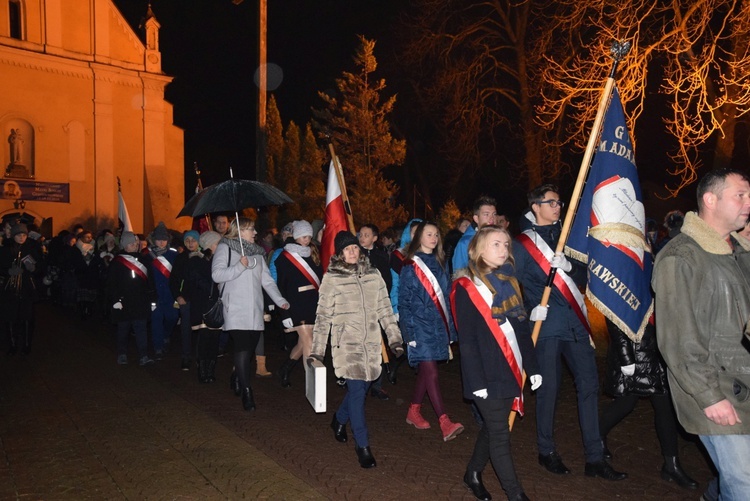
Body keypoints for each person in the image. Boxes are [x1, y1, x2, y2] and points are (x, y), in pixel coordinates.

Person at [513, 183, 626, 480]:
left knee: (589, 385)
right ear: (535, 206)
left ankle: (594, 456)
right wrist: (528, 309)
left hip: (576, 324)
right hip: (547, 324)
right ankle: (546, 450)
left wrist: (570, 268)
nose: (558, 207)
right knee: (548, 389)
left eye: (559, 202)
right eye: (551, 202)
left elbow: (586, 273)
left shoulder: (570, 237)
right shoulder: (522, 244)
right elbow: (510, 284)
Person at [652, 169, 750, 500]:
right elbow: (677, 338)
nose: (748, 203)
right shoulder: (681, 257)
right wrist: (709, 395)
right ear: (711, 199)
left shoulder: (739, 252)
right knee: (745, 484)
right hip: (715, 388)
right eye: (740, 195)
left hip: (745, 382)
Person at [452, 225, 542, 501]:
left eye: (506, 244)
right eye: (495, 244)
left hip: (508, 367)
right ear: (478, 249)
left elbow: (522, 331)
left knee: (495, 428)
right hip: (484, 373)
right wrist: (475, 381)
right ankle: (516, 495)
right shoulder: (466, 286)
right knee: (501, 434)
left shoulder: (511, 282)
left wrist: (533, 367)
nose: (503, 249)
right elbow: (466, 339)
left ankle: (473, 473)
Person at [310, 231, 403, 468]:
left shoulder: (374, 276)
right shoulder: (332, 279)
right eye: (347, 249)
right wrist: (318, 350)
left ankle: (339, 419)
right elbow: (323, 317)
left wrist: (394, 340)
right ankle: (363, 446)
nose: (352, 252)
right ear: (340, 254)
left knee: (361, 389)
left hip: (371, 344)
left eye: (355, 248)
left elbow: (385, 310)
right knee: (358, 393)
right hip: (346, 345)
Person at [599, 318, 698, 490]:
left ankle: (671, 465)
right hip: (635, 352)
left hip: (657, 352)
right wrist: (626, 357)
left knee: (665, 407)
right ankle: (597, 435)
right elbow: (615, 315)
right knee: (625, 404)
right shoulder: (630, 289)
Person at [212, 218, 289, 411]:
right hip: (235, 307)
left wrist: (280, 300)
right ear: (240, 230)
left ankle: (236, 376)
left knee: (250, 346)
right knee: (243, 348)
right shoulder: (225, 248)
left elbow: (267, 281)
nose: (255, 233)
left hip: (255, 309)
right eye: (251, 229)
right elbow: (217, 275)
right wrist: (239, 266)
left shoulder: (258, 253)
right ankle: (247, 391)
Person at [399, 220, 464, 442]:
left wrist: (451, 329)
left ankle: (413, 410)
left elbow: (445, 297)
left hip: (437, 325)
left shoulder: (440, 262)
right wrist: (408, 335)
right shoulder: (410, 265)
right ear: (419, 238)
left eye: (436, 234)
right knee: (432, 372)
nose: (434, 238)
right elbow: (404, 303)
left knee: (428, 371)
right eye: (429, 234)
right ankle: (444, 421)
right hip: (419, 326)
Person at [276, 220, 323, 388]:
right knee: (309, 341)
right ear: (295, 236)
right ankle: (312, 383)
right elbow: (281, 286)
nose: (307, 240)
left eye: (309, 236)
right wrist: (284, 313)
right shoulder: (285, 257)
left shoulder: (313, 252)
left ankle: (285, 368)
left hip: (312, 301)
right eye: (303, 236)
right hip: (295, 303)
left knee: (303, 343)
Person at [107, 232, 155, 366]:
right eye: (131, 244)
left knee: (141, 329)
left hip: (140, 301)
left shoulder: (144, 260)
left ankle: (143, 356)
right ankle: (122, 354)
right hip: (124, 302)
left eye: (135, 243)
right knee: (123, 329)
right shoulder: (117, 262)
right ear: (125, 245)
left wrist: (152, 298)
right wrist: (116, 300)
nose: (135, 246)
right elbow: (112, 283)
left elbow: (150, 281)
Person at [358, 223, 393, 400]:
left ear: (374, 238)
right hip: (358, 307)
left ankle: (377, 385)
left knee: (378, 345)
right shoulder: (354, 254)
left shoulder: (381, 256)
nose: (362, 237)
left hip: (376, 305)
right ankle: (358, 382)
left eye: (366, 234)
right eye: (360, 234)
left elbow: (387, 281)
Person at [184, 230, 222, 383]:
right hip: (202, 305)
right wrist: (214, 287)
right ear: (211, 245)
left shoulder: (219, 260)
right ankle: (202, 370)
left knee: (215, 338)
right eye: (218, 243)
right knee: (204, 337)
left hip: (215, 305)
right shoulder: (196, 260)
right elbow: (197, 281)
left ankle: (211, 370)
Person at [0, 223, 43, 356]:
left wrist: (34, 269)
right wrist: (8, 271)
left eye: (24, 235)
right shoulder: (5, 249)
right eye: (19, 235)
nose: (22, 237)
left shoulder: (32, 248)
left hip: (26, 288)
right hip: (10, 288)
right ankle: (12, 345)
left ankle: (26, 344)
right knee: (11, 317)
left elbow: (41, 266)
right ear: (13, 235)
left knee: (27, 317)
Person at [170, 230, 201, 371]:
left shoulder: (203, 257)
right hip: (186, 298)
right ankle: (186, 357)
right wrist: (178, 295)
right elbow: (174, 279)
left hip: (201, 299)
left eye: (193, 240)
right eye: (187, 240)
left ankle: (201, 357)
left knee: (202, 328)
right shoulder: (180, 258)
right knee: (186, 328)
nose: (190, 243)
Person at [147, 222, 179, 359]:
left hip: (170, 294)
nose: (161, 243)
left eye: (164, 240)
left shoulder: (174, 255)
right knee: (156, 319)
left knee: (172, 317)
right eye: (159, 239)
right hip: (155, 294)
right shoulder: (147, 256)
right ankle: (158, 346)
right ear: (154, 240)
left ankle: (166, 335)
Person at [452, 196, 498, 273]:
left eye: (494, 214)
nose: (492, 218)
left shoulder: (501, 239)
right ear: (476, 218)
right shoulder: (465, 243)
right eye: (486, 214)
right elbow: (459, 274)